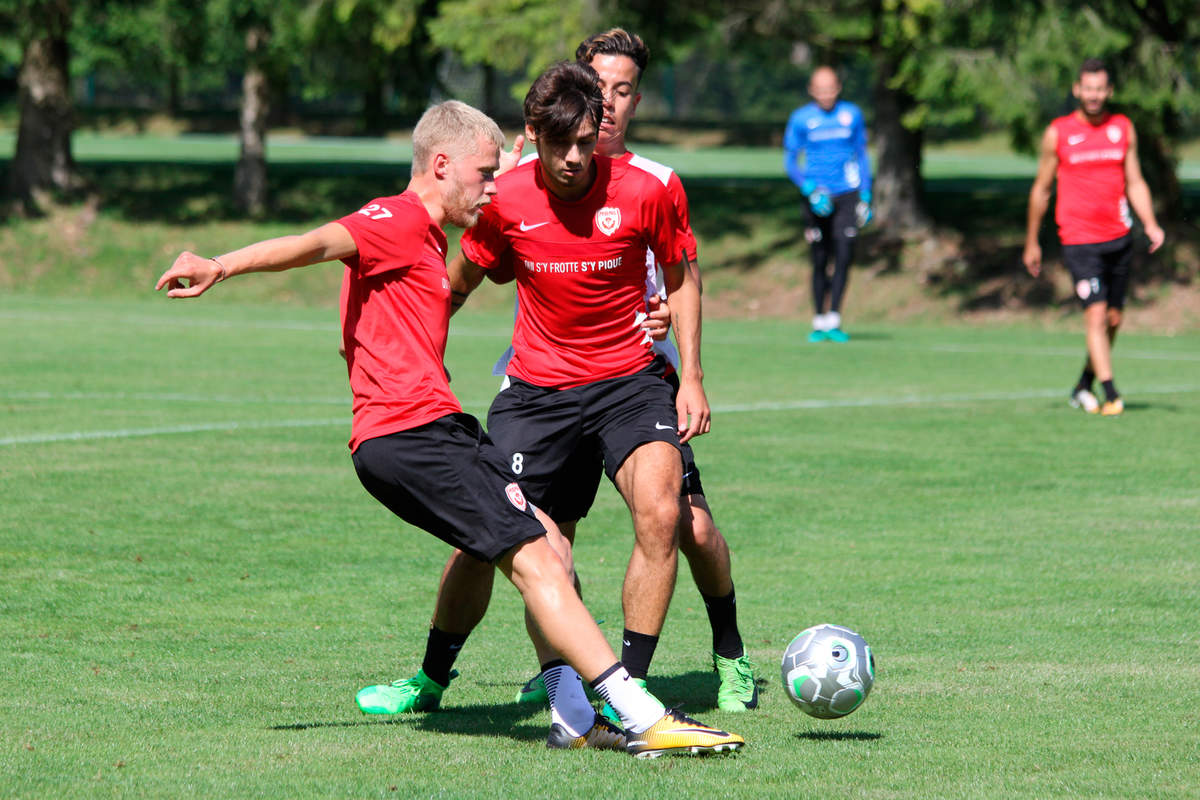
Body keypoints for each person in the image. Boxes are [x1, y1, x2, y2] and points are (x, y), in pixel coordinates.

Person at [154, 100, 742, 758]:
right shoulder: (396, 219)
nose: (495, 186)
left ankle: (575, 718)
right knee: (536, 560)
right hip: (412, 436)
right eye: (485, 173)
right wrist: (221, 265)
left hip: (435, 430)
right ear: (441, 166)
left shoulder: (434, 238)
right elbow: (317, 242)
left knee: (546, 543)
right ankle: (640, 714)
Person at [354, 60, 724, 722]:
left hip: (630, 382)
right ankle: (432, 676)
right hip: (536, 391)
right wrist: (405, 361)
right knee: (489, 535)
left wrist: (691, 374)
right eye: (561, 145)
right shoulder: (508, 197)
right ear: (536, 133)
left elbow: (682, 275)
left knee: (663, 510)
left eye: (587, 141)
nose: (576, 158)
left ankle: (624, 690)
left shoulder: (651, 188)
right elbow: (456, 284)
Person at [1023, 58, 1164, 416]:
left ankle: (1083, 385)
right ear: (1077, 90)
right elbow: (1041, 189)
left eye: (1100, 89)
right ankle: (1112, 393)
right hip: (1078, 239)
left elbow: (1134, 181)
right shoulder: (1059, 132)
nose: (1094, 95)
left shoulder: (1123, 129)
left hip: (1118, 237)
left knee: (1113, 320)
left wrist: (1150, 223)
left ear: (1109, 91)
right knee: (1096, 317)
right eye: (1088, 88)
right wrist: (1032, 241)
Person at [783, 65, 873, 343]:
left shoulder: (852, 115)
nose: (826, 94)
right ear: (812, 90)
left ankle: (834, 317)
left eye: (831, 88)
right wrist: (809, 189)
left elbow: (862, 155)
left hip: (847, 194)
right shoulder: (801, 119)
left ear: (838, 88)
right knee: (820, 257)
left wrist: (866, 195)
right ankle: (819, 320)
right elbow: (790, 161)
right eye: (821, 89)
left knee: (844, 254)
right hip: (816, 196)